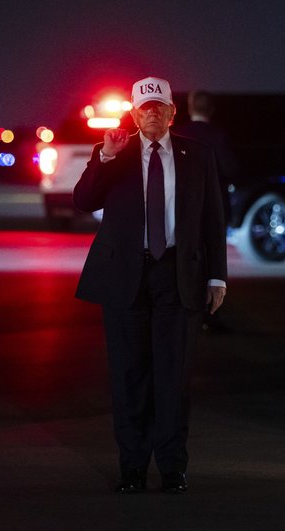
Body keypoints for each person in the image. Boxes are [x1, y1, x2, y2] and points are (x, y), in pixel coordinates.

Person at [73, 76, 228, 494]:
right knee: (130, 376)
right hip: (127, 277)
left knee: (173, 375)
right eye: (145, 107)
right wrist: (105, 155)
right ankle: (133, 468)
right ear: (133, 113)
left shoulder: (196, 154)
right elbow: (83, 200)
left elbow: (213, 219)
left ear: (172, 112)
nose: (153, 112)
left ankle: (173, 467)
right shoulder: (115, 153)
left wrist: (217, 276)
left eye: (160, 106)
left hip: (178, 276)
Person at [174, 90, 238, 333]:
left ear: (189, 108)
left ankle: (184, 311)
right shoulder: (218, 136)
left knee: (184, 260)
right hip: (213, 208)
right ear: (211, 109)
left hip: (182, 209)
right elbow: (231, 168)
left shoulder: (179, 134)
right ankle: (211, 315)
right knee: (213, 263)